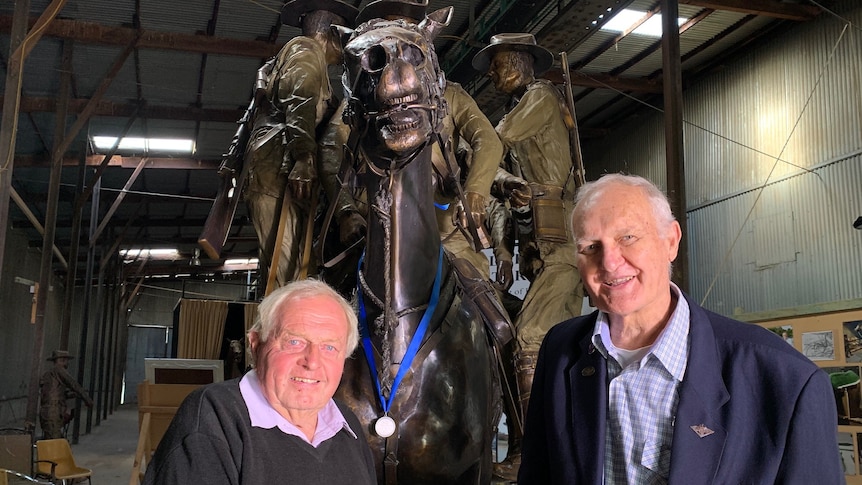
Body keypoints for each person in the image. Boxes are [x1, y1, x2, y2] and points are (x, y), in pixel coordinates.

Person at [518, 173, 843, 484]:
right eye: (590, 247)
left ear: (670, 241)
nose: (609, 263)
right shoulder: (560, 349)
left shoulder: (787, 381)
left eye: (627, 238)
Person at [319, 0, 508, 284]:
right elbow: (331, 149)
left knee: (485, 302)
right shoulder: (358, 104)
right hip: (376, 233)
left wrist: (475, 193)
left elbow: (488, 140)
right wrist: (345, 212)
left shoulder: (451, 96)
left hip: (444, 234)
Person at [472, 32, 583, 479]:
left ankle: (532, 451)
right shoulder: (520, 110)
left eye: (499, 65)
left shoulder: (539, 96)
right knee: (523, 341)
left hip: (565, 246)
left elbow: (490, 142)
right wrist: (500, 244)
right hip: (540, 252)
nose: (495, 74)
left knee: (530, 337)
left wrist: (473, 152)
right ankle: (531, 444)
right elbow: (504, 193)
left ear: (519, 63)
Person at [143, 279, 375, 484]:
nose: (312, 362)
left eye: (329, 347)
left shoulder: (347, 424)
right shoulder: (213, 418)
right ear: (255, 345)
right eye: (294, 342)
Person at [243, 0, 358, 289]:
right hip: (279, 169)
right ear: (333, 33)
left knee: (290, 273)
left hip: (275, 169)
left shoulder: (299, 55)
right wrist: (304, 158)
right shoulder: (308, 52)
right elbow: (300, 101)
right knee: (287, 279)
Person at [38, 350, 94, 439]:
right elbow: (73, 384)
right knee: (55, 442)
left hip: (47, 411)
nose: (67, 363)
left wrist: (71, 395)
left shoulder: (49, 374)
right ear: (62, 360)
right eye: (66, 360)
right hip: (53, 411)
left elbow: (53, 393)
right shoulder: (59, 370)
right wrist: (87, 399)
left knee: (51, 438)